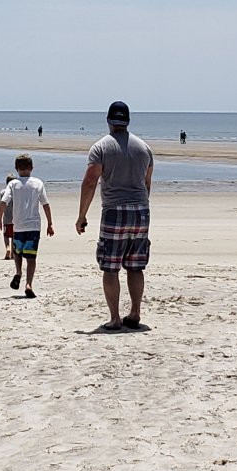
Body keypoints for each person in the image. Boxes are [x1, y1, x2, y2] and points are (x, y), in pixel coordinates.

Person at [76, 101, 153, 331]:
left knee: (110, 267)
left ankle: (115, 318)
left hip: (114, 210)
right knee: (136, 266)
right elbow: (147, 183)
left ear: (109, 120)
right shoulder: (144, 148)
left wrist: (82, 215)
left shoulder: (101, 147)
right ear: (128, 121)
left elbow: (90, 182)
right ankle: (135, 312)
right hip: (140, 210)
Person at [0, 154, 53, 298]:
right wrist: (50, 223)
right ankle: (29, 284)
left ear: (16, 168)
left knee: (17, 252)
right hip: (34, 226)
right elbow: (45, 204)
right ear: (32, 168)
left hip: (18, 226)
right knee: (31, 257)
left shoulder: (13, 184)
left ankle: (18, 272)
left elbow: (3, 203)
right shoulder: (38, 183)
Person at [0, 174, 16, 260]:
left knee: (6, 236)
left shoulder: (3, 192)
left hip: (6, 218)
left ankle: (7, 248)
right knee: (13, 236)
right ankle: (12, 252)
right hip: (16, 218)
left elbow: (1, 205)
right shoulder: (17, 193)